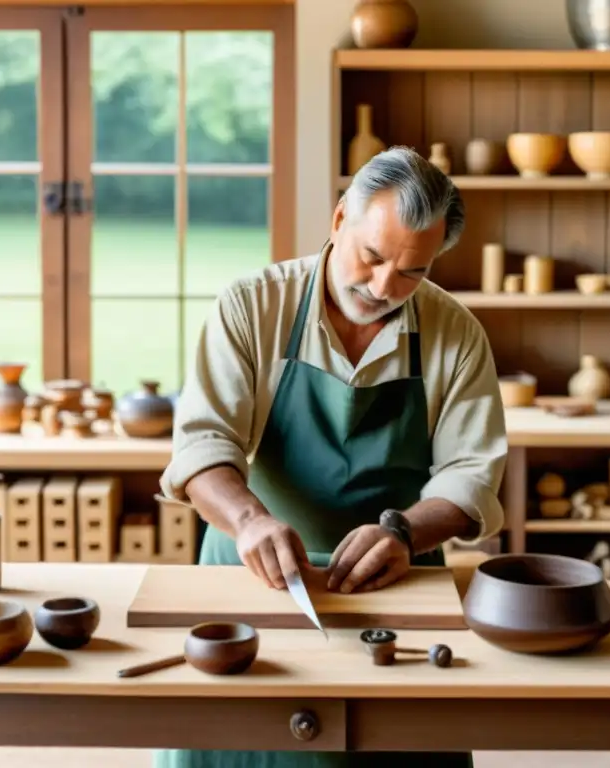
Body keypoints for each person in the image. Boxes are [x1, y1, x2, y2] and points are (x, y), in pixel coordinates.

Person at [155, 146, 508, 768]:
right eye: (372, 257)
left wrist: (405, 530)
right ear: (340, 218)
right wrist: (248, 520)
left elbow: (472, 475)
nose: (382, 288)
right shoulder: (253, 305)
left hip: (395, 579)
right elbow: (203, 443)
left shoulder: (456, 334)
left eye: (412, 273)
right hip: (252, 577)